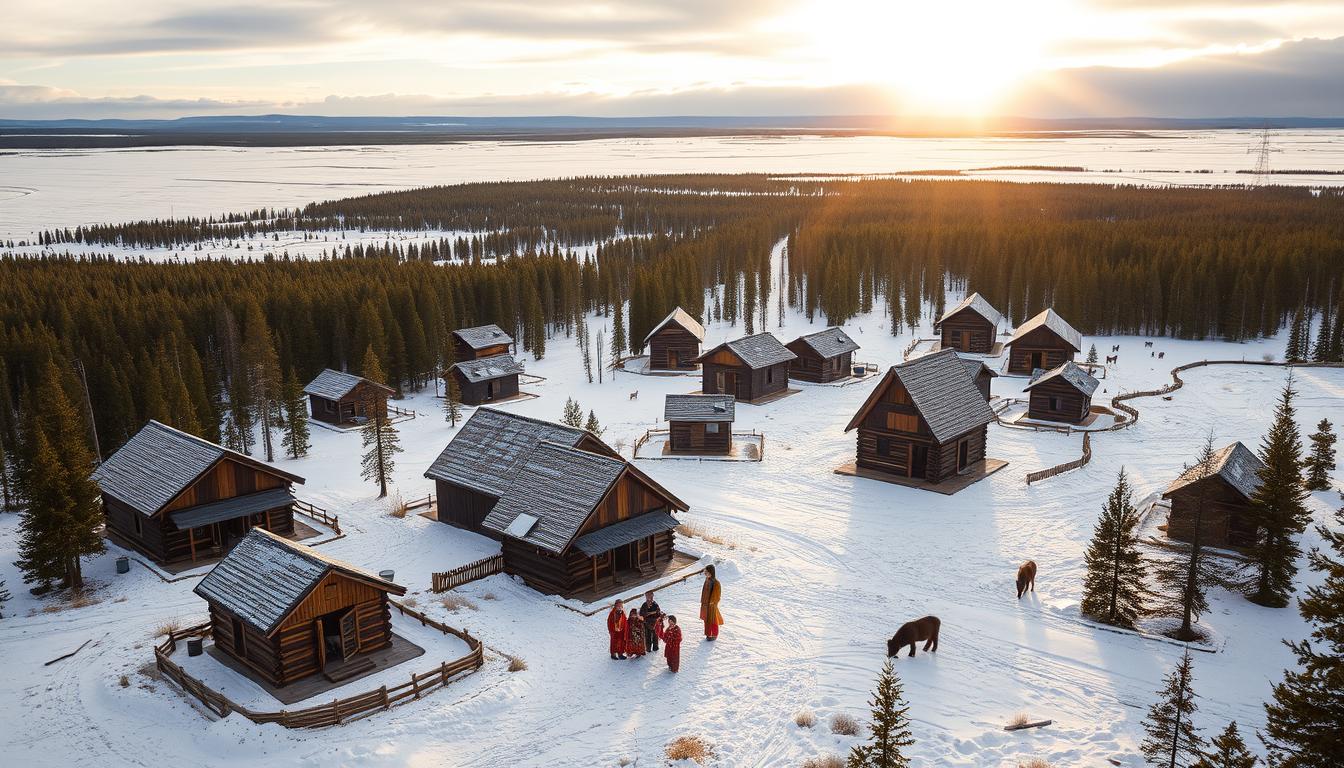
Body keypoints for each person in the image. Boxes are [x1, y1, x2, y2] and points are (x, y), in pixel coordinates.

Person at [700, 564, 723, 640]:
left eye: (706, 572)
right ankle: (708, 634)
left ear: (711, 572)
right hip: (705, 605)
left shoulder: (716, 583)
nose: (705, 573)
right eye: (705, 571)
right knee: (706, 621)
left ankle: (713, 635)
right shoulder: (707, 580)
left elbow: (717, 595)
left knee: (713, 621)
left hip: (711, 606)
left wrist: (712, 603)